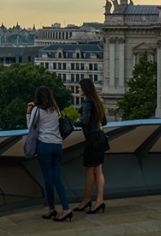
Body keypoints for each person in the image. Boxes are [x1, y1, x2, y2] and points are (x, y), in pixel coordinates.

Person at [27, 86, 72, 221]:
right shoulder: (55, 109)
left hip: (44, 146)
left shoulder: (37, 110)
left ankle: (52, 208)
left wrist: (28, 112)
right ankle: (66, 208)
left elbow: (30, 128)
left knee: (48, 178)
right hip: (57, 145)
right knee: (57, 178)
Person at [74, 78, 108, 213]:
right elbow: (104, 121)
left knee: (89, 172)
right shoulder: (97, 101)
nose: (78, 89)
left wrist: (77, 122)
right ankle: (99, 200)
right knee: (98, 171)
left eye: (80, 87)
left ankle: (86, 200)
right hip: (100, 137)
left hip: (92, 139)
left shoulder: (88, 102)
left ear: (85, 89)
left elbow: (85, 121)